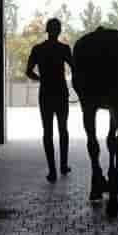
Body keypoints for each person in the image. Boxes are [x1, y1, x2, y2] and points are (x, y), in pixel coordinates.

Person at [26, 18, 73, 182]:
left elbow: (28, 72)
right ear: (59, 31)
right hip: (61, 93)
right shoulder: (64, 49)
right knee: (63, 130)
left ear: (47, 30)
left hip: (46, 94)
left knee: (47, 132)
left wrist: (41, 79)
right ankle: (63, 165)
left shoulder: (38, 49)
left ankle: (52, 170)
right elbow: (75, 68)